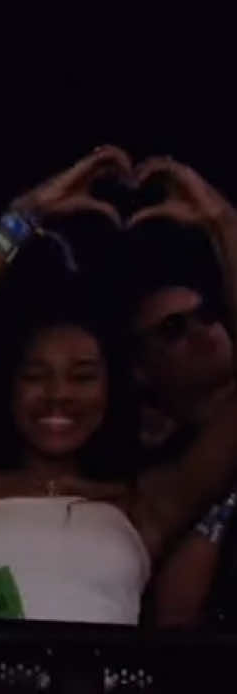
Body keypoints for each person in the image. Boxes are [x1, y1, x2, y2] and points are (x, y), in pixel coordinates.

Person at [0, 145, 237, 626]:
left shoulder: (144, 505)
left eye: (83, 376)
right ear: (8, 388)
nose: (59, 395)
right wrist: (20, 219)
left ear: (113, 391)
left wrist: (223, 223)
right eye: (35, 375)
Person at [122, 159, 237, 627]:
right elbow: (174, 614)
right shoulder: (159, 476)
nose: (202, 329)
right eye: (173, 328)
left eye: (208, 312)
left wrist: (223, 223)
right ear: (140, 371)